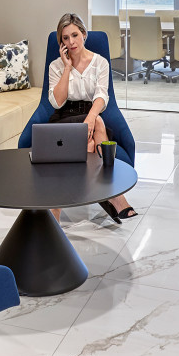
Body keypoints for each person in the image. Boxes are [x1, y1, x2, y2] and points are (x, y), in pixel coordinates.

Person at [48, 13, 137, 223]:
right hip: (64, 117)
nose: (71, 42)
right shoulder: (56, 66)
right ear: (61, 42)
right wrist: (67, 67)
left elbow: (101, 96)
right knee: (96, 125)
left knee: (94, 129)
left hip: (92, 113)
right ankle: (112, 195)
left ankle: (55, 210)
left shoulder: (100, 63)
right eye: (65, 38)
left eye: (75, 35)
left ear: (84, 35)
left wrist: (90, 117)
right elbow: (56, 102)